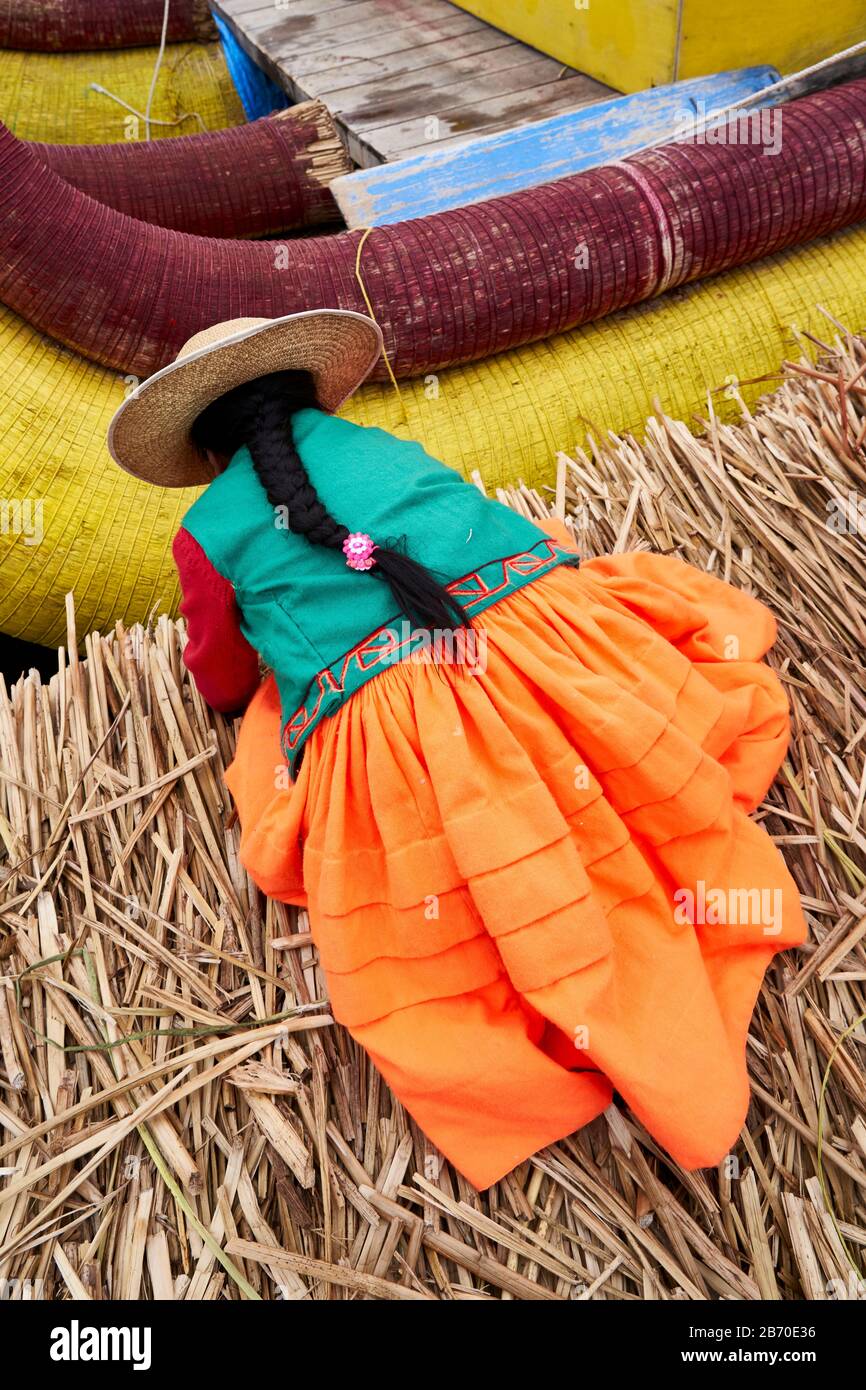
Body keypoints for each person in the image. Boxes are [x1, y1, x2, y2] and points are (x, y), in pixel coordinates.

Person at [108, 311, 805, 1190]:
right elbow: (493, 533)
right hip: (544, 645)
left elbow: (217, 674)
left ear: (204, 450)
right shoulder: (384, 445)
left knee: (282, 752)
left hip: (410, 713)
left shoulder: (204, 530)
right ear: (304, 391)